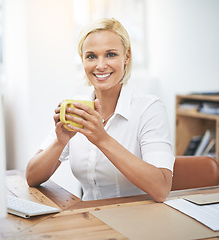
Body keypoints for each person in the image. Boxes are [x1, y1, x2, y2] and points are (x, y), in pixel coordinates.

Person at [26, 18, 175, 202]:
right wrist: (60, 141)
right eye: (91, 56)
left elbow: (161, 189)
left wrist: (102, 139)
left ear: (126, 56)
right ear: (82, 60)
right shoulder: (77, 108)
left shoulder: (149, 108)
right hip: (90, 219)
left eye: (111, 54)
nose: (100, 65)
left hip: (138, 220)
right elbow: (32, 177)